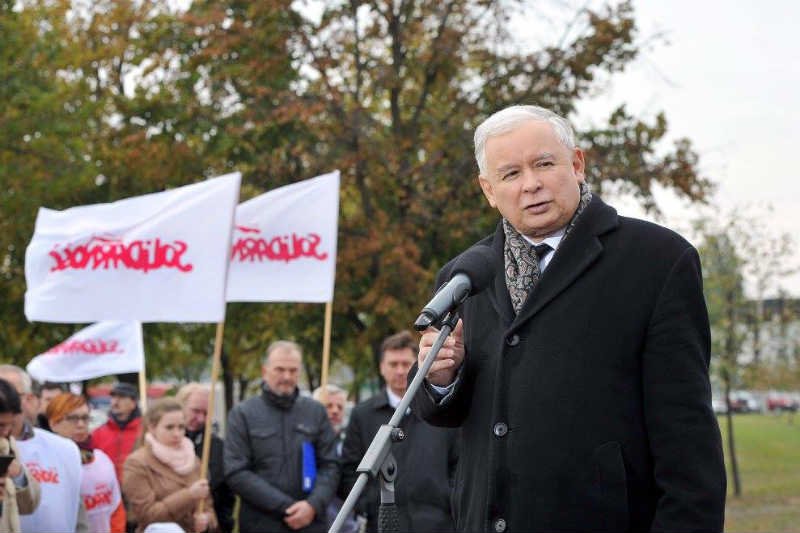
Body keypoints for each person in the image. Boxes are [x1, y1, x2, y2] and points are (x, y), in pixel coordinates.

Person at [412, 104, 727, 532]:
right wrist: (441, 379)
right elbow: (449, 414)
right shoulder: (464, 275)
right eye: (511, 174)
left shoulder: (657, 260)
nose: (532, 184)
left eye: (543, 164)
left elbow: (687, 436)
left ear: (576, 164)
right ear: (488, 190)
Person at [341, 331, 457, 533]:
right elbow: (349, 470)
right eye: (393, 364)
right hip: (383, 523)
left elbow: (459, 463)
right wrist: (371, 505)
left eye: (406, 364)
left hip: (437, 524)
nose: (400, 371)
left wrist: (450, 502)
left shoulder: (442, 411)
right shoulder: (363, 415)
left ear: (419, 364)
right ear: (381, 368)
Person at [225, 340, 340, 533]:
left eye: (293, 370)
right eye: (279, 369)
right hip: (261, 523)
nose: (287, 376)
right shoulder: (243, 414)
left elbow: (331, 465)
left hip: (311, 523)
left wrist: (312, 505)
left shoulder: (316, 412)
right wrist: (286, 507)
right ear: (265, 371)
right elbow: (236, 471)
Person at [0, 366, 87, 533]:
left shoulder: (64, 448)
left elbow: (30, 503)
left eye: (9, 392)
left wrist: (19, 476)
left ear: (29, 398)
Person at [122, 398, 216, 533]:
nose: (177, 434)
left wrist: (206, 519)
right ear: (152, 428)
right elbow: (146, 515)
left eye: (181, 427)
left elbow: (208, 506)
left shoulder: (193, 460)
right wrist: (189, 495)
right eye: (169, 427)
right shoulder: (137, 463)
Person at [47, 393, 126, 533]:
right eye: (72, 419)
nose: (81, 425)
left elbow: (116, 509)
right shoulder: (48, 466)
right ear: (54, 424)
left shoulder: (102, 459)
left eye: (85, 418)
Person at [176, 384, 235, 533]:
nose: (201, 419)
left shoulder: (218, 447)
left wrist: (214, 523)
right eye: (195, 411)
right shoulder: (159, 443)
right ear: (180, 406)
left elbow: (226, 496)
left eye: (206, 413)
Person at [0, 378, 40, 533]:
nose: (6, 432)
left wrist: (19, 476)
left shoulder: (7, 444)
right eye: (1, 425)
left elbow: (28, 506)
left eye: (11, 424)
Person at [91, 382, 142, 483]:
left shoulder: (144, 431)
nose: (116, 401)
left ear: (133, 403)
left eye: (122, 397)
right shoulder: (98, 433)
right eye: (113, 397)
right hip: (106, 489)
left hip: (136, 490)